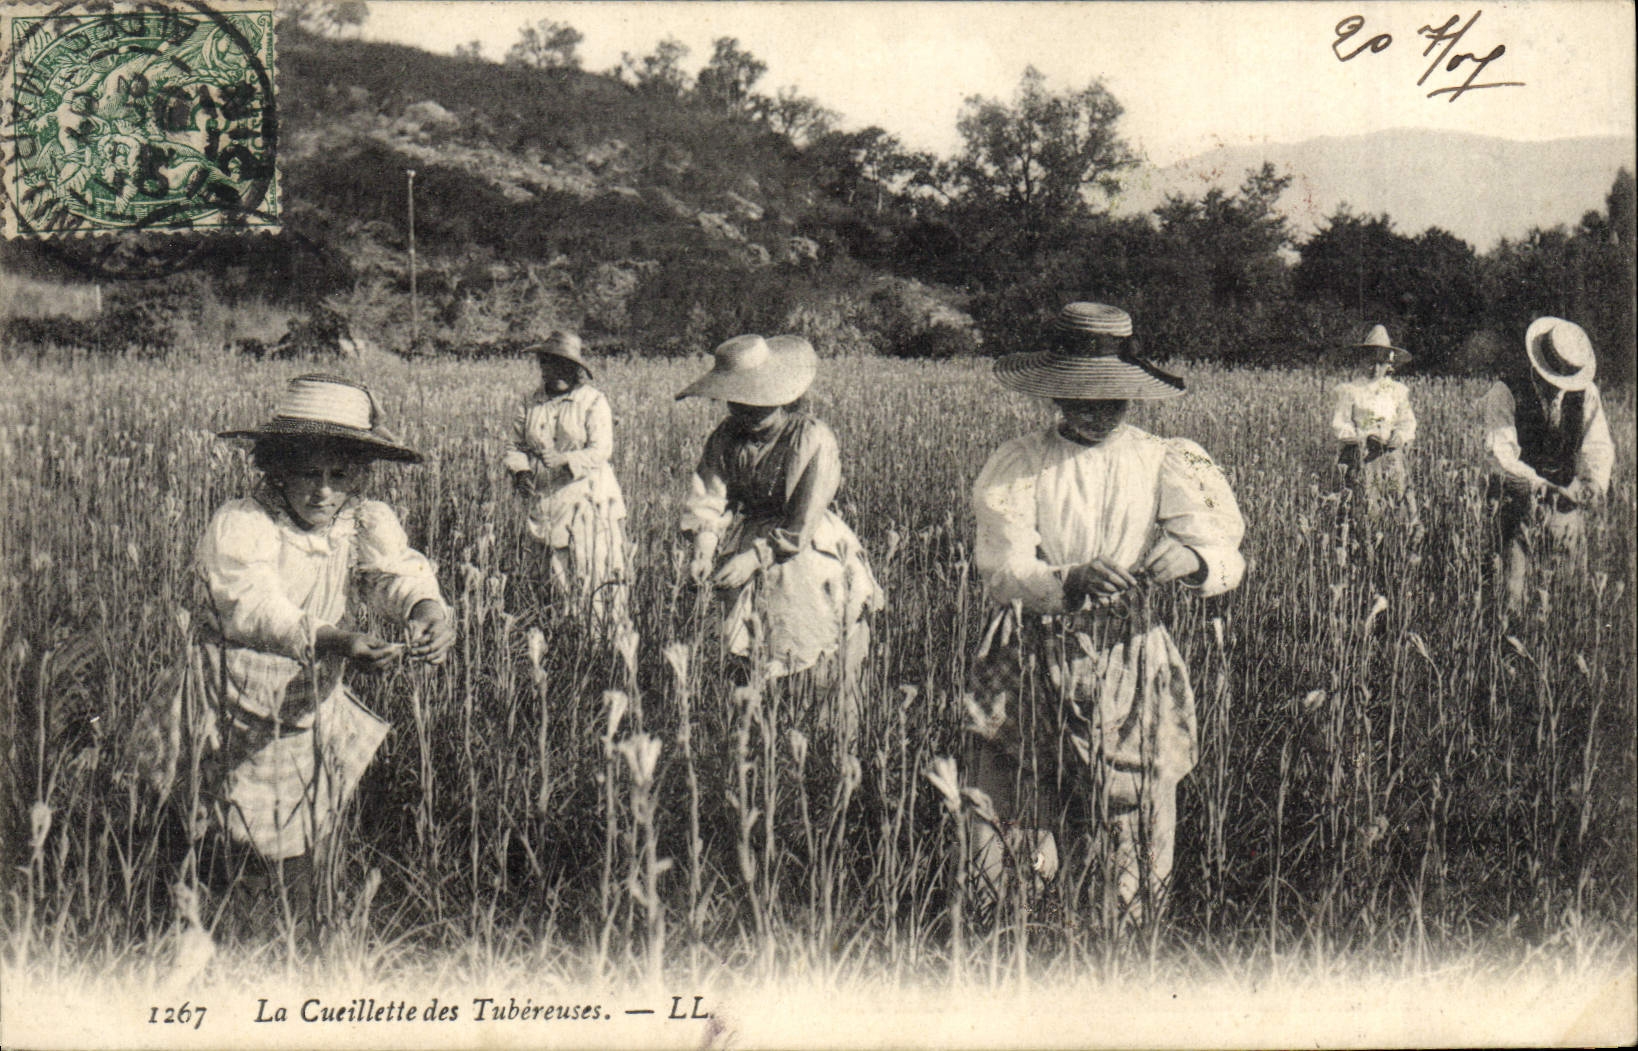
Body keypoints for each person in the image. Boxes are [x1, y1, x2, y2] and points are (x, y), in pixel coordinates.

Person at [139, 374, 455, 943]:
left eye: (340, 476)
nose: (324, 492)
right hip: (231, 692)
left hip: (307, 695)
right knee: (219, 824)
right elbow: (253, 605)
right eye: (309, 474)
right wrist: (335, 640)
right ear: (276, 467)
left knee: (300, 821)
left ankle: (289, 932)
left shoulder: (361, 521)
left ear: (359, 475)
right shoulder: (246, 523)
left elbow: (396, 574)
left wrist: (427, 609)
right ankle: (210, 929)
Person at [962, 302, 1246, 927]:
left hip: (1129, 649)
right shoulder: (1020, 461)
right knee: (1015, 803)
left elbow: (1227, 548)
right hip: (1031, 646)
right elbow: (1002, 568)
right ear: (1055, 394)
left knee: (1133, 805)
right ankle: (1016, 933)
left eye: (1110, 400)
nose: (1094, 412)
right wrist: (1066, 579)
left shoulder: (1165, 457)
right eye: (1079, 399)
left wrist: (1194, 559)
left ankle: (1122, 936)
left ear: (1131, 397)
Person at [676, 334, 883, 736]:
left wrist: (755, 557)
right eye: (737, 402)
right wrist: (703, 546)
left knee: (818, 657)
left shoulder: (812, 437)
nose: (747, 412)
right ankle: (771, 750)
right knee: (753, 658)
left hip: (804, 550)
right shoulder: (725, 438)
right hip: (747, 544)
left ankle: (830, 753)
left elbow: (801, 523)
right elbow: (709, 495)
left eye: (757, 402)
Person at [1480, 316, 1615, 614]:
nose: (1557, 387)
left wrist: (1591, 483)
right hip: (1517, 502)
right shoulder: (1505, 391)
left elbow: (1598, 445)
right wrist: (1542, 488)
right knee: (1512, 594)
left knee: (1567, 592)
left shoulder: (1586, 393)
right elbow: (1500, 456)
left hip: (1565, 504)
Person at [502, 331, 631, 628]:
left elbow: (601, 449)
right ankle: (564, 639)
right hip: (547, 502)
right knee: (555, 580)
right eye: (548, 365)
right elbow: (515, 447)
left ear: (576, 370)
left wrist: (565, 460)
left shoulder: (592, 401)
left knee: (593, 574)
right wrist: (520, 471)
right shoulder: (530, 402)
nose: (554, 372)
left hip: (590, 500)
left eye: (562, 366)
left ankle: (599, 643)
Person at [1331, 324, 1419, 531]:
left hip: (1389, 457)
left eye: (1380, 363)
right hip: (1361, 457)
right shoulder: (1350, 390)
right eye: (1371, 362)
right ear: (1362, 361)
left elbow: (1407, 422)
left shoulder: (1397, 391)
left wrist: (1399, 436)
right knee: (1361, 507)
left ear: (1389, 364)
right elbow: (1339, 424)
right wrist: (1363, 437)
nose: (1375, 369)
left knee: (1395, 504)